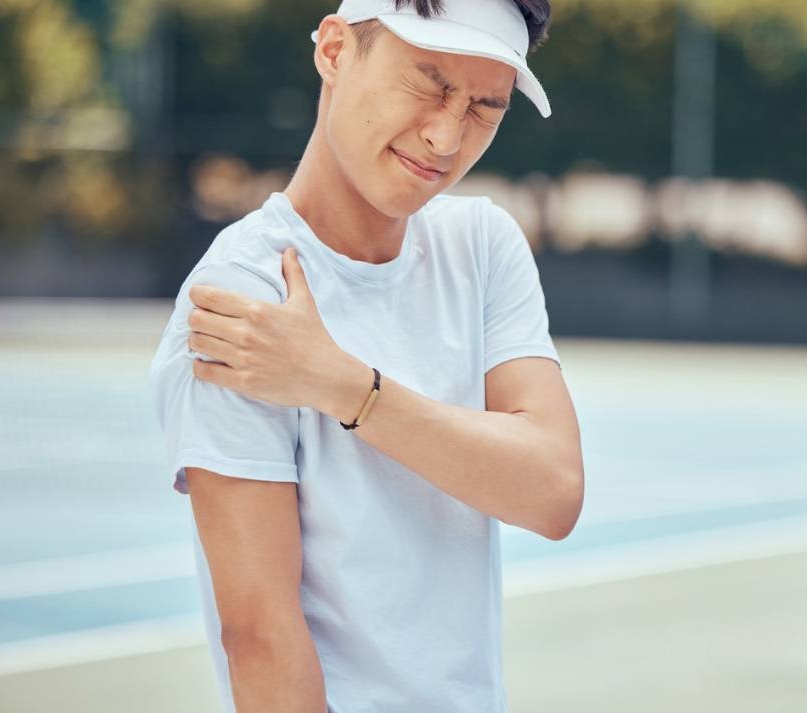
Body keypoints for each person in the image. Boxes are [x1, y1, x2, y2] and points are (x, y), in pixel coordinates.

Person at [149, 0, 583, 710]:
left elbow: (554, 487)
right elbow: (260, 635)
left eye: (485, 105)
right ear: (334, 51)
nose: (447, 136)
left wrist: (346, 386)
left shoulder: (481, 245)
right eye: (429, 83)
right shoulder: (245, 292)